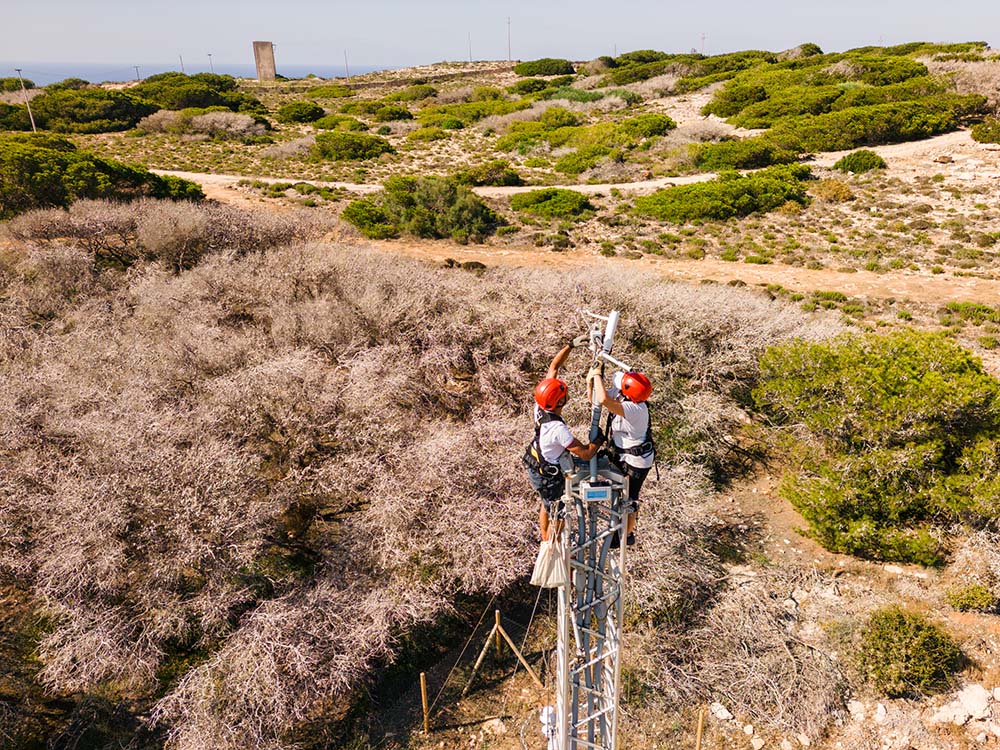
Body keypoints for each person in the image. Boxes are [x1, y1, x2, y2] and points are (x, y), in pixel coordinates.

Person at [524, 338, 605, 542]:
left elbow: (554, 367)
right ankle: (553, 543)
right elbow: (586, 453)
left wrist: (570, 345)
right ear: (560, 401)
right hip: (548, 475)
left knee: (546, 502)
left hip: (534, 464)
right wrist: (599, 440)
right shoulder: (558, 430)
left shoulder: (540, 406)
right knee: (556, 511)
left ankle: (545, 537)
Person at [588, 365, 654, 547]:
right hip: (621, 454)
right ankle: (618, 526)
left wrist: (597, 374)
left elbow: (603, 399)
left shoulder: (636, 410)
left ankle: (626, 534)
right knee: (619, 493)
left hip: (636, 461)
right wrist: (592, 378)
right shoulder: (626, 397)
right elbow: (597, 397)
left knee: (629, 499)